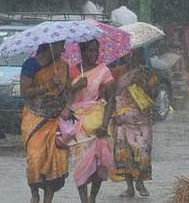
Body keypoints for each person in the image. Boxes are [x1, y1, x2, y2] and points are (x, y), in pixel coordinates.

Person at [20, 41, 85, 203]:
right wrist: (48, 85)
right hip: (36, 118)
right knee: (35, 158)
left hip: (56, 118)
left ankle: (48, 199)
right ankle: (35, 195)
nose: (63, 49)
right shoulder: (30, 65)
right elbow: (25, 91)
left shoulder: (64, 65)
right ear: (49, 46)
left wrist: (76, 88)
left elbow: (68, 90)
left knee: (55, 161)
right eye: (60, 46)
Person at [68, 40, 116, 203]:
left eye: (96, 51)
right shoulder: (72, 70)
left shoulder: (104, 71)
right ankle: (84, 200)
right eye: (89, 50)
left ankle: (93, 198)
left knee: (102, 162)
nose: (93, 54)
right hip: (77, 123)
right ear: (81, 51)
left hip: (98, 122)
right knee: (81, 162)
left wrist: (104, 124)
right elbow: (62, 96)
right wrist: (75, 87)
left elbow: (111, 100)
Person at [110, 49, 158, 197]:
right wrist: (112, 115)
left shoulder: (147, 73)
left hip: (141, 119)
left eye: (136, 54)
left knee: (142, 150)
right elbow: (112, 95)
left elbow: (154, 94)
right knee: (125, 153)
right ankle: (129, 187)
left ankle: (140, 183)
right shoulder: (117, 72)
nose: (132, 57)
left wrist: (142, 82)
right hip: (122, 119)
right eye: (130, 54)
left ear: (141, 56)